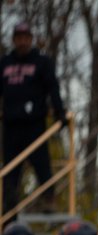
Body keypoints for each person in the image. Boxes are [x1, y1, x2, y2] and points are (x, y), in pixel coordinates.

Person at [0, 21, 66, 214]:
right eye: (18, 38)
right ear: (14, 40)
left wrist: (59, 112)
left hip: (35, 124)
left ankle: (48, 200)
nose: (22, 42)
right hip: (11, 124)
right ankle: (8, 206)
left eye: (25, 38)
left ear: (31, 39)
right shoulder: (5, 64)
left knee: (42, 163)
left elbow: (53, 87)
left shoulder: (41, 62)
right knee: (11, 169)